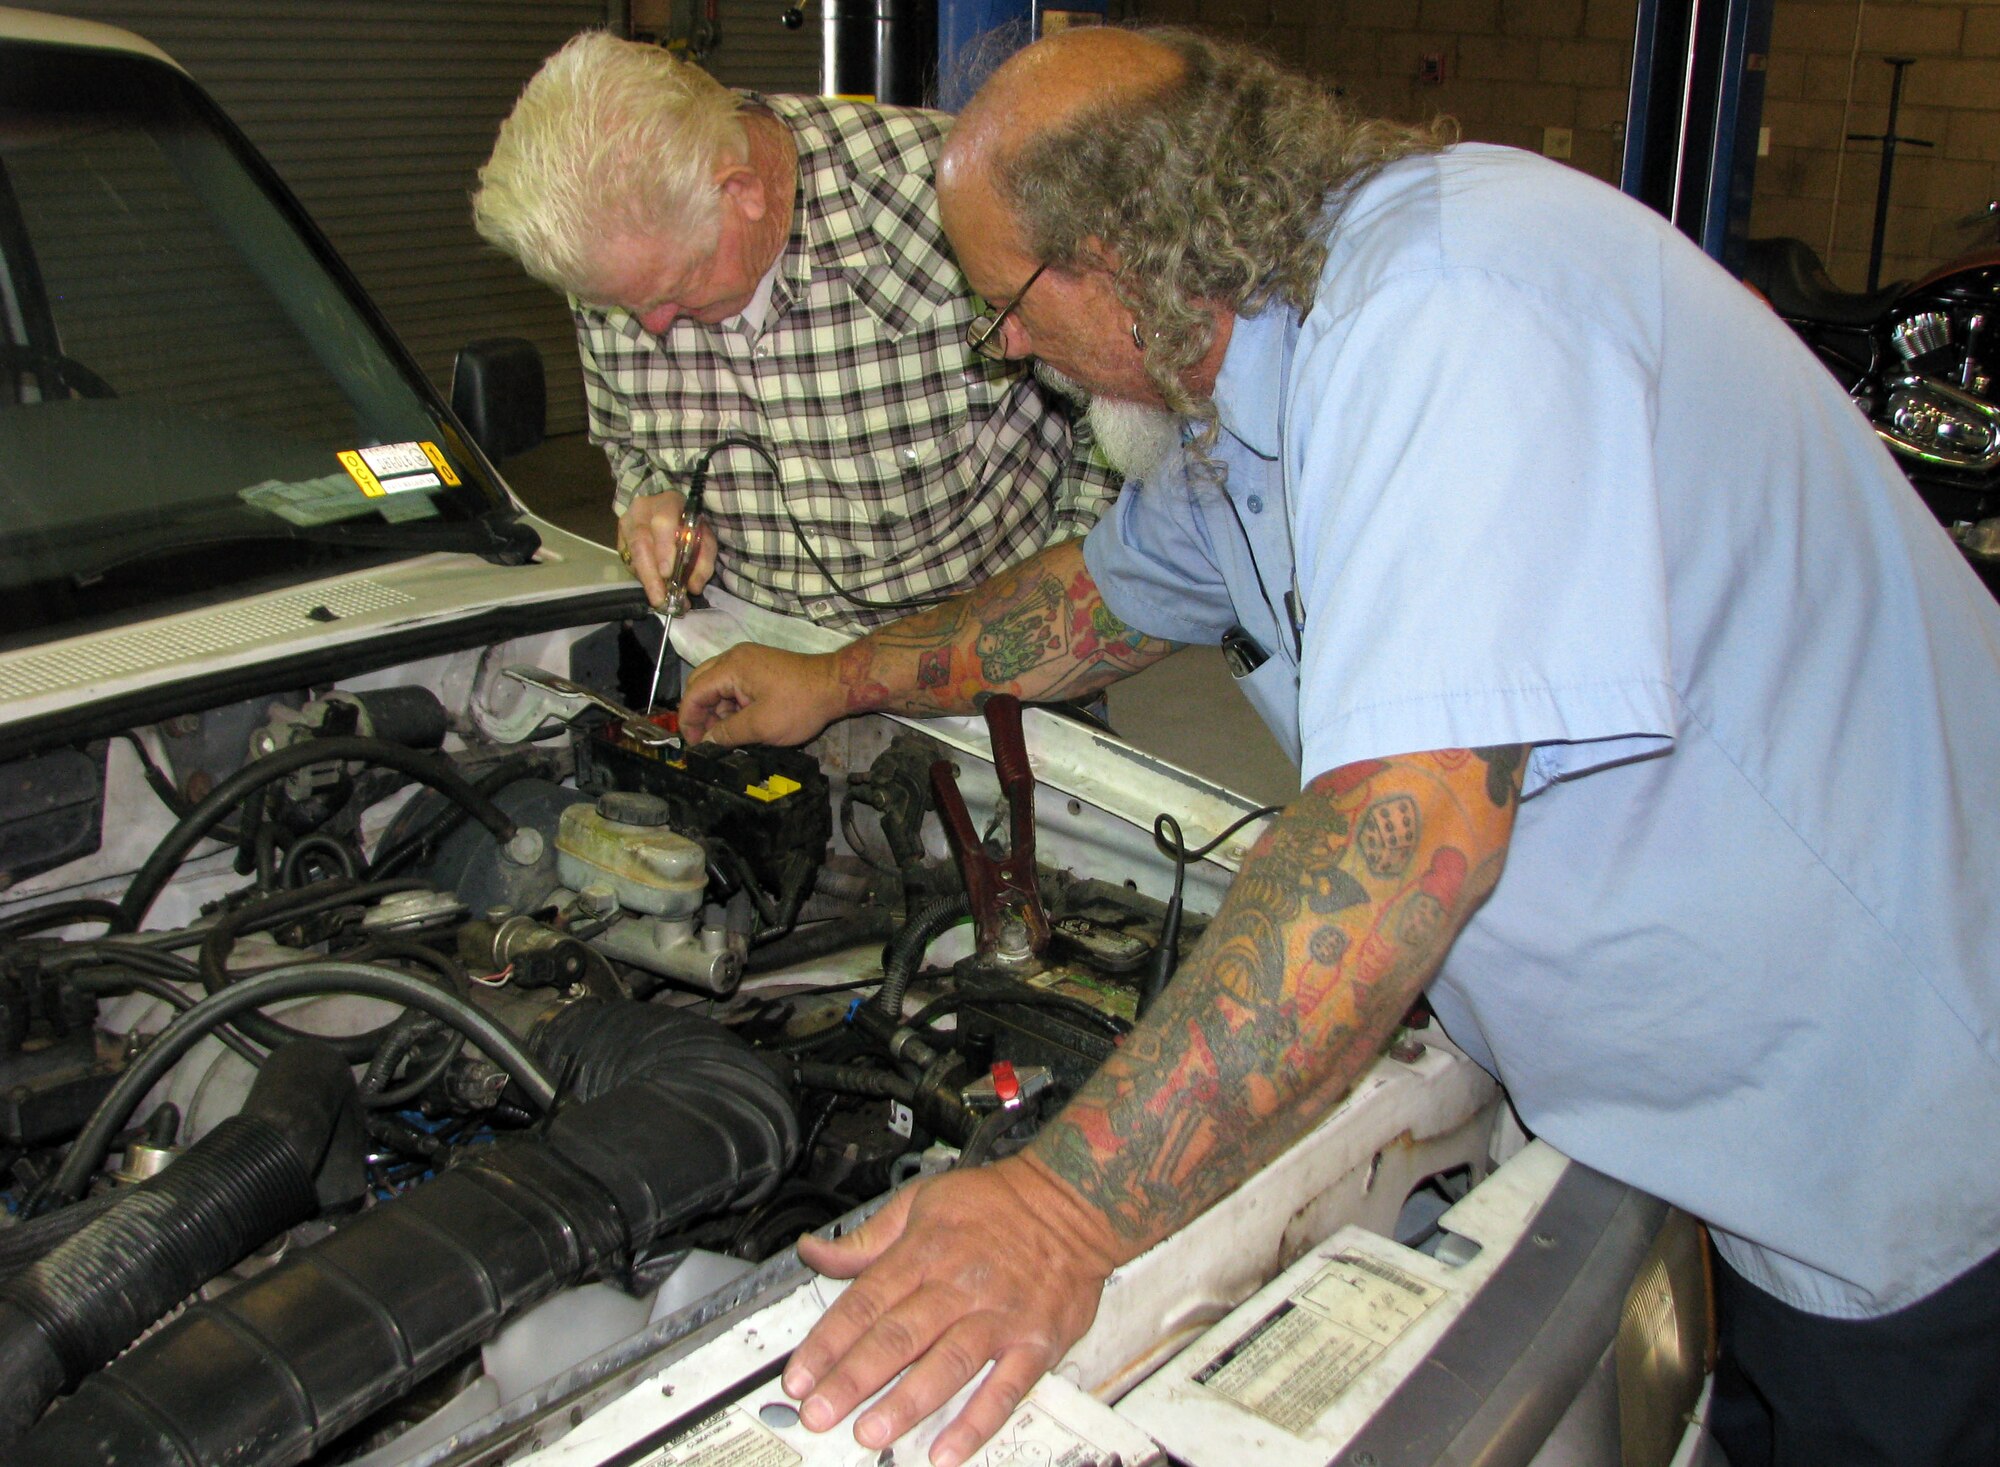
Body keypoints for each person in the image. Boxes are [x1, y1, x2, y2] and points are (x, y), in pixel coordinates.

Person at [680, 25, 2000, 1467]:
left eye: (1009, 301)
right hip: (1731, 1129)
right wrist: (840, 680)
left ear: (1115, 256)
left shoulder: (1446, 310)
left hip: (1903, 1134)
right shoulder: (1259, 389)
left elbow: (1403, 838)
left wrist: (1060, 1209)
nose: (1009, 346)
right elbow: (1092, 603)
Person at [471, 31, 1118, 632]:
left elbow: (1122, 408)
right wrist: (651, 508)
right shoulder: (616, 260)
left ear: (742, 191)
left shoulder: (942, 200)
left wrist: (1060, 609)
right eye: (621, 305)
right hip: (750, 660)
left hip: (976, 671)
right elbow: (628, 446)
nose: (653, 326)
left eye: (672, 290)